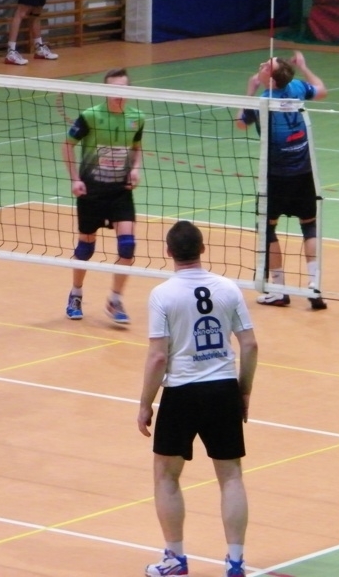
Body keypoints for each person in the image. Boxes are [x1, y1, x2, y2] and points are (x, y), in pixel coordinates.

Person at [137, 221, 258, 577]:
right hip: (223, 389)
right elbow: (250, 345)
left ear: (168, 252)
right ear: (203, 249)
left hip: (182, 393)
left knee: (166, 475)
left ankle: (175, 559)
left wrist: (145, 403)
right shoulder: (228, 288)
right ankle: (235, 563)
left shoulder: (162, 294)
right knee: (231, 476)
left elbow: (158, 357)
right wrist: (243, 391)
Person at [236, 51, 328, 310]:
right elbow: (322, 91)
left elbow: (240, 123)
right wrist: (305, 67)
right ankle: (314, 284)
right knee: (309, 225)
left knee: (267, 228)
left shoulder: (262, 102)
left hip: (275, 176)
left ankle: (278, 290)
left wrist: (250, 89)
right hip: (304, 171)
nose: (261, 64)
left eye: (266, 65)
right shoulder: (297, 87)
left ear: (270, 80)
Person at [62, 67, 144, 324]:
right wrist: (75, 179)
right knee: (86, 249)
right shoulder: (90, 116)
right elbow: (67, 145)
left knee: (127, 247)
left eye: (123, 88)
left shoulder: (137, 118)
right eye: (113, 89)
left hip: (120, 192)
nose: (118, 94)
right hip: (92, 192)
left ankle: (115, 300)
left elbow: (137, 148)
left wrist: (136, 169)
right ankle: (76, 294)